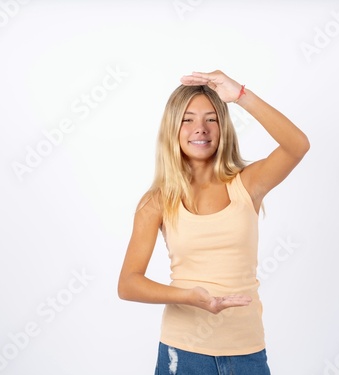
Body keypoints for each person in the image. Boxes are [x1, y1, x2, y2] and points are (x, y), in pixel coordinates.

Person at [118, 70, 310, 374]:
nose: (200, 129)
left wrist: (241, 96)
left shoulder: (247, 184)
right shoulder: (157, 200)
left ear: (223, 127)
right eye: (188, 119)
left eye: (211, 119)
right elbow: (128, 284)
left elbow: (297, 145)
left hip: (246, 350)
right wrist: (190, 297)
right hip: (183, 352)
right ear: (173, 128)